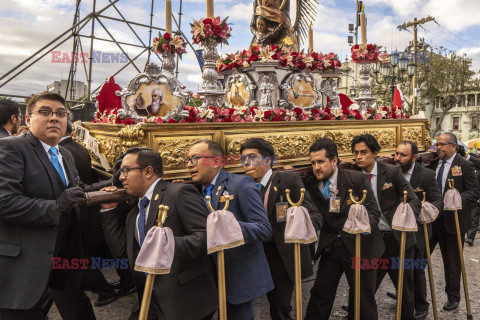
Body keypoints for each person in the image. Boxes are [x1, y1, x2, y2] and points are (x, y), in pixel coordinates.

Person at [0, 92, 95, 319]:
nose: (54, 118)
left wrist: (114, 184)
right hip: (21, 266)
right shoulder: (11, 148)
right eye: (45, 112)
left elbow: (74, 192)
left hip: (57, 265)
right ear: (27, 119)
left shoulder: (64, 154)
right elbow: (4, 202)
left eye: (61, 114)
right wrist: (56, 206)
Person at [100, 147, 218, 320]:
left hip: (185, 301)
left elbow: (208, 237)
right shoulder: (134, 212)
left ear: (148, 171)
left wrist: (167, 245)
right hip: (149, 301)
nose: (120, 177)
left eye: (126, 170)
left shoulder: (179, 193)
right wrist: (109, 211)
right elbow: (123, 254)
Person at [186, 140, 274, 320]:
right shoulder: (193, 191)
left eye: (195, 158)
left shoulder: (241, 184)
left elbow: (264, 229)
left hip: (236, 278)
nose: (189, 165)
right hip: (206, 280)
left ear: (217, 162)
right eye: (187, 160)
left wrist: (229, 227)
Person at [239, 138, 323, 320]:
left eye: (253, 157)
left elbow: (314, 215)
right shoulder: (242, 186)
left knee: (280, 306)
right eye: (243, 159)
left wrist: (300, 227)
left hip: (281, 257)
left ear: (268, 160)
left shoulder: (287, 180)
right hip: (253, 256)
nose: (246, 163)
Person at [303, 137, 384, 320]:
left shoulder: (356, 179)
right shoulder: (311, 183)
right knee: (320, 294)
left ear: (334, 161)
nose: (317, 167)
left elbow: (374, 212)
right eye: (313, 162)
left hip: (360, 246)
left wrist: (360, 225)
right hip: (332, 246)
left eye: (321, 161)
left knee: (363, 299)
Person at [351, 134, 421, 320]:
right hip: (371, 240)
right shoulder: (351, 175)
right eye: (356, 152)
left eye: (364, 152)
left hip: (397, 239)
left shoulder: (391, 172)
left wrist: (404, 214)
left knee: (405, 288)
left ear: (375, 153)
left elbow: (413, 200)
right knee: (364, 287)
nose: (359, 156)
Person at [390, 141, 443, 319]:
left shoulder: (427, 175)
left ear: (414, 157)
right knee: (395, 266)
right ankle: (405, 299)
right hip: (394, 229)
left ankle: (421, 304)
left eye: (403, 155)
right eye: (396, 153)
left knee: (416, 268)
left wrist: (422, 210)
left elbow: (437, 201)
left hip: (418, 230)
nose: (398, 158)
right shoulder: (390, 172)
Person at [427, 132, 479, 311]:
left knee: (452, 262)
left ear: (454, 146)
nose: (438, 147)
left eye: (442, 144)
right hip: (432, 219)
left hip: (453, 221)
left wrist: (457, 198)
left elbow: (474, 192)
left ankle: (453, 297)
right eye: (437, 144)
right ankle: (410, 289)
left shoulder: (465, 165)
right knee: (419, 255)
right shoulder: (432, 164)